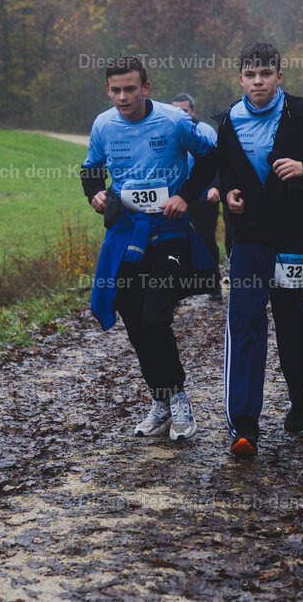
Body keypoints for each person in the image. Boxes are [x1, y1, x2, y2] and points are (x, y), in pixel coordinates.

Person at [214, 42, 303, 457]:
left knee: (291, 318)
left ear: (279, 77)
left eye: (266, 74)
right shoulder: (228, 120)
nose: (258, 80)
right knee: (244, 322)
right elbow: (223, 170)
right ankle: (244, 425)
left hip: (297, 236)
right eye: (250, 74)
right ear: (240, 78)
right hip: (248, 238)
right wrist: (228, 193)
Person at [82, 56, 219, 442]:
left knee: (155, 318)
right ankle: (160, 401)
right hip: (126, 233)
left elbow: (210, 157)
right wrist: (95, 193)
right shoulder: (103, 125)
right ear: (108, 90)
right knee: (134, 319)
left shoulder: (173, 121)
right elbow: (91, 169)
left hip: (169, 232)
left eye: (130, 88)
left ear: (146, 87)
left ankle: (178, 399)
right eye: (115, 90)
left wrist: (186, 197)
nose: (122, 97)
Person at [172, 92, 223, 301]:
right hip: (175, 196)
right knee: (173, 243)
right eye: (175, 109)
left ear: (192, 110)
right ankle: (172, 291)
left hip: (204, 196)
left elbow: (217, 161)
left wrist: (216, 188)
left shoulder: (206, 130)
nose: (179, 113)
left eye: (183, 110)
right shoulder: (168, 129)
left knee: (206, 240)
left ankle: (213, 285)